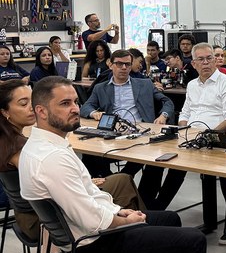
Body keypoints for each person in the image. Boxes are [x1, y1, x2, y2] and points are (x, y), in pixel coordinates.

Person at [19, 76, 206, 253]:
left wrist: (119, 210)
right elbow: (92, 220)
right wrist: (126, 221)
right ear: (41, 111)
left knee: (170, 218)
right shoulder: (52, 158)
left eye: (75, 101)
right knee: (194, 239)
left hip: (86, 237)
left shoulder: (45, 145)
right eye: (65, 103)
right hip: (90, 250)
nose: (74, 108)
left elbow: (89, 197)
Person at [0, 80, 147, 242]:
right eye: (23, 103)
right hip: (40, 219)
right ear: (5, 111)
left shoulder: (9, 140)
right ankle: (140, 232)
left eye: (32, 100)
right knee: (122, 181)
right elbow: (49, 178)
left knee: (116, 181)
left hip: (33, 212)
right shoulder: (18, 147)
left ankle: (139, 229)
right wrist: (82, 180)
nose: (31, 107)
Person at [80, 50, 185, 210]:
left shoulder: (144, 84)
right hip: (112, 135)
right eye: (119, 64)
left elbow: (167, 102)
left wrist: (163, 116)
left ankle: (144, 204)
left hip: (141, 133)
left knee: (155, 161)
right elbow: (86, 106)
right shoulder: (101, 88)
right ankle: (110, 192)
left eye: (127, 64)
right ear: (110, 64)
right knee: (89, 155)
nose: (123, 67)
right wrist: (95, 113)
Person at [179, 43, 226, 245]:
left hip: (219, 138)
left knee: (225, 175)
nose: (206, 63)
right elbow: (185, 113)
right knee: (171, 165)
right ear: (193, 63)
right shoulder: (192, 85)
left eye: (209, 58)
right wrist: (185, 130)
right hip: (191, 138)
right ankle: (155, 212)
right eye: (201, 59)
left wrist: (207, 135)